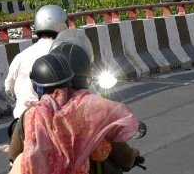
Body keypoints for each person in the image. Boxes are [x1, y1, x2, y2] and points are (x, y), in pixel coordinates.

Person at [9, 53, 142, 174]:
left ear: (36, 87)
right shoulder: (92, 111)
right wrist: (133, 155)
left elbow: (14, 155)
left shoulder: (30, 116)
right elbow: (124, 158)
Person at [3, 4, 68, 145]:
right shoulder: (67, 54)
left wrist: (21, 98)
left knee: (15, 161)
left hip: (24, 121)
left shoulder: (21, 56)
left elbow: (9, 87)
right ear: (63, 25)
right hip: (62, 121)